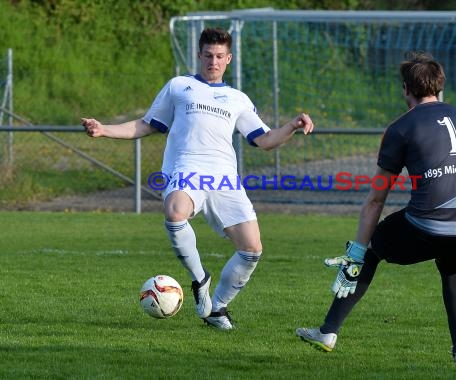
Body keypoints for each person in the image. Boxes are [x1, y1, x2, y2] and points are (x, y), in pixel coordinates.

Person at [82, 27, 314, 330]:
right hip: (187, 169)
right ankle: (199, 278)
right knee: (175, 211)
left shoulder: (237, 98)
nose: (213, 61)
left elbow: (265, 139)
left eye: (219, 56)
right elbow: (146, 124)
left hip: (224, 179)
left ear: (228, 58)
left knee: (252, 249)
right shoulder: (179, 86)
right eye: (208, 55)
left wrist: (293, 126)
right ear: (199, 55)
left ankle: (217, 308)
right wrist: (104, 130)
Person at [296, 51, 456, 365]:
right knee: (451, 266)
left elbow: (377, 198)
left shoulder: (399, 129)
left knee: (370, 252)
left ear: (405, 89)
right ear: (439, 87)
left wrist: (357, 250)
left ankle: (328, 331)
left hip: (428, 225)